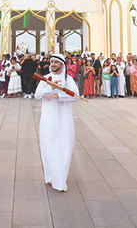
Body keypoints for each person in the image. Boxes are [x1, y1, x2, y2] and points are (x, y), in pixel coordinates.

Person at [35, 53, 79, 192]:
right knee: (48, 147)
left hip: (64, 120)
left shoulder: (69, 79)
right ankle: (50, 176)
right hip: (48, 119)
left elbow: (76, 96)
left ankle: (60, 181)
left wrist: (59, 95)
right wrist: (50, 90)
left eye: (56, 62)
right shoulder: (45, 79)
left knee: (64, 147)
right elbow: (37, 95)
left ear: (62, 64)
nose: (53, 64)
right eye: (51, 61)